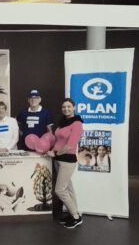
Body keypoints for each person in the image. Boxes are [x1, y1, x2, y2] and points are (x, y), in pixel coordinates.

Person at [50, 98, 84, 229]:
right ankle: (73, 213)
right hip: (58, 160)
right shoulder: (62, 122)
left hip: (67, 161)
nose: (66, 109)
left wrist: (55, 153)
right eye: (64, 107)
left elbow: (70, 145)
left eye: (69, 106)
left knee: (59, 190)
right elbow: (58, 141)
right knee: (68, 189)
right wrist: (52, 151)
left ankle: (76, 217)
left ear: (74, 107)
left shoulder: (77, 123)